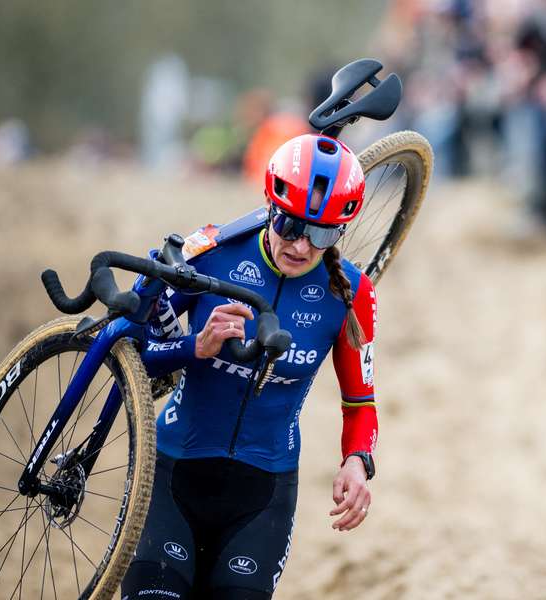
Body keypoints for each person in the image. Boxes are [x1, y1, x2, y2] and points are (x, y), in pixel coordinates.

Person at [121, 133, 379, 600]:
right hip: (173, 472)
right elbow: (132, 353)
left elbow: (360, 402)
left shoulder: (350, 294)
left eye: (321, 234)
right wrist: (193, 348)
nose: (301, 245)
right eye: (290, 225)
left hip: (263, 495)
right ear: (269, 206)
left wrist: (358, 462)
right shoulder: (214, 253)